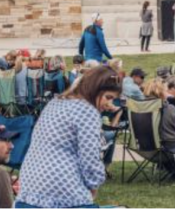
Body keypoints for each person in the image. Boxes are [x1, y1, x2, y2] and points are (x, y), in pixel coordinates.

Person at [17, 66, 121, 208]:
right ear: (95, 89)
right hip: (62, 187)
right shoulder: (88, 111)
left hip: (30, 185)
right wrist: (94, 184)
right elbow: (90, 158)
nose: (109, 104)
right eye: (108, 97)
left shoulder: (56, 102)